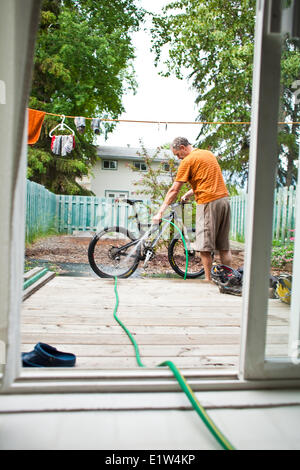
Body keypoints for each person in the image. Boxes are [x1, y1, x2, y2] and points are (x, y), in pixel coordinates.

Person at [152, 137, 232, 281]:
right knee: (224, 248)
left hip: (208, 203)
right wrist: (189, 194)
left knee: (204, 248)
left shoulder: (188, 161)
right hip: (224, 200)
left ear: (183, 148)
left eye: (177, 154)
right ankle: (230, 280)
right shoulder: (208, 154)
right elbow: (207, 181)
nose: (178, 157)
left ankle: (208, 281)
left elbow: (174, 190)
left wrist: (160, 212)